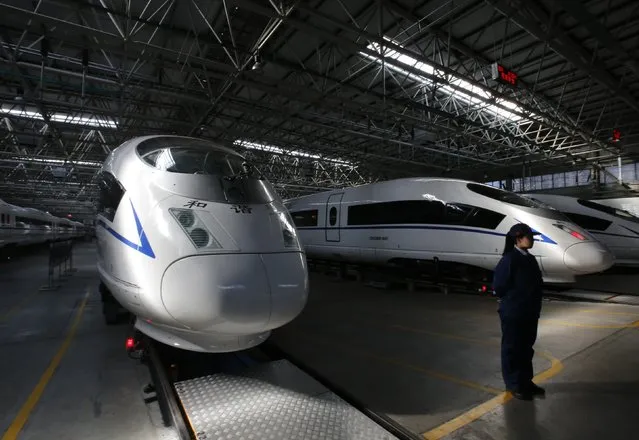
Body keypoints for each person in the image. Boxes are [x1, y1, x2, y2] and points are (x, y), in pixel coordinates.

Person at [492, 223, 546, 400]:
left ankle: (525, 381)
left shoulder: (529, 259)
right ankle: (514, 384)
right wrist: (513, 301)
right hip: (514, 313)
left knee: (526, 348)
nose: (532, 240)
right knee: (512, 348)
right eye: (529, 236)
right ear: (518, 238)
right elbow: (499, 286)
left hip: (529, 312)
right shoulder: (509, 259)